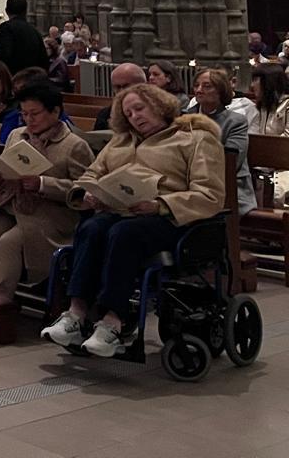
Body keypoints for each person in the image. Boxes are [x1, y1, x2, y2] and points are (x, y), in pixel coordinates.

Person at [43, 85, 225, 356]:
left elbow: (210, 194)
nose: (135, 117)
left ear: (159, 104)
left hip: (172, 220)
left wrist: (159, 205)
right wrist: (88, 193)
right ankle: (76, 313)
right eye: (128, 113)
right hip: (121, 211)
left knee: (124, 233)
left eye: (140, 108)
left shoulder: (194, 138)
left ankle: (112, 323)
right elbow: (92, 174)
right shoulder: (121, 140)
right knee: (92, 227)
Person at [0, 81, 93, 303]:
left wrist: (43, 183)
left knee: (8, 243)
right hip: (12, 204)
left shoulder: (74, 145)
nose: (29, 120)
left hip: (49, 215)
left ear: (55, 111)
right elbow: (6, 166)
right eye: (24, 113)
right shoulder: (17, 135)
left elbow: (84, 190)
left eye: (35, 113)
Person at [191, 67, 255, 213]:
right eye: (196, 86)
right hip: (190, 183)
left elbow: (232, 161)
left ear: (220, 90)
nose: (199, 90)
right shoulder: (184, 118)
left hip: (229, 185)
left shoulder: (235, 121)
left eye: (207, 86)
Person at [0, 0, 47, 75]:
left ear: (6, 11)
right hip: (34, 78)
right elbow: (43, 59)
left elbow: (3, 57)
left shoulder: (6, 28)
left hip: (15, 78)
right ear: (25, 11)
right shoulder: (34, 30)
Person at [94, 64, 147, 130]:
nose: (121, 92)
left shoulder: (154, 110)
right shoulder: (106, 114)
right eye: (117, 87)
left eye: (125, 86)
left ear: (142, 85)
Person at [247, 64, 289, 136]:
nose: (252, 85)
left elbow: (286, 141)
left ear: (268, 82)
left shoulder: (287, 105)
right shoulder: (263, 105)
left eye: (255, 80)